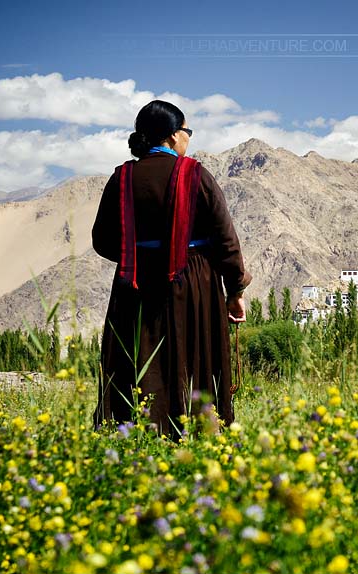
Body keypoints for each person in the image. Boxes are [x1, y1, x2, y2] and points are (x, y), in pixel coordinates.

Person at [92, 99, 251, 438]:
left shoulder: (122, 178)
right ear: (174, 135)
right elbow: (226, 239)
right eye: (187, 130)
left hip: (134, 285)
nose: (188, 137)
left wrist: (138, 255)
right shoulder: (196, 175)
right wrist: (235, 289)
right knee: (195, 357)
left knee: (139, 360)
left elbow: (102, 241)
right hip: (192, 283)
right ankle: (200, 434)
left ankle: (135, 434)